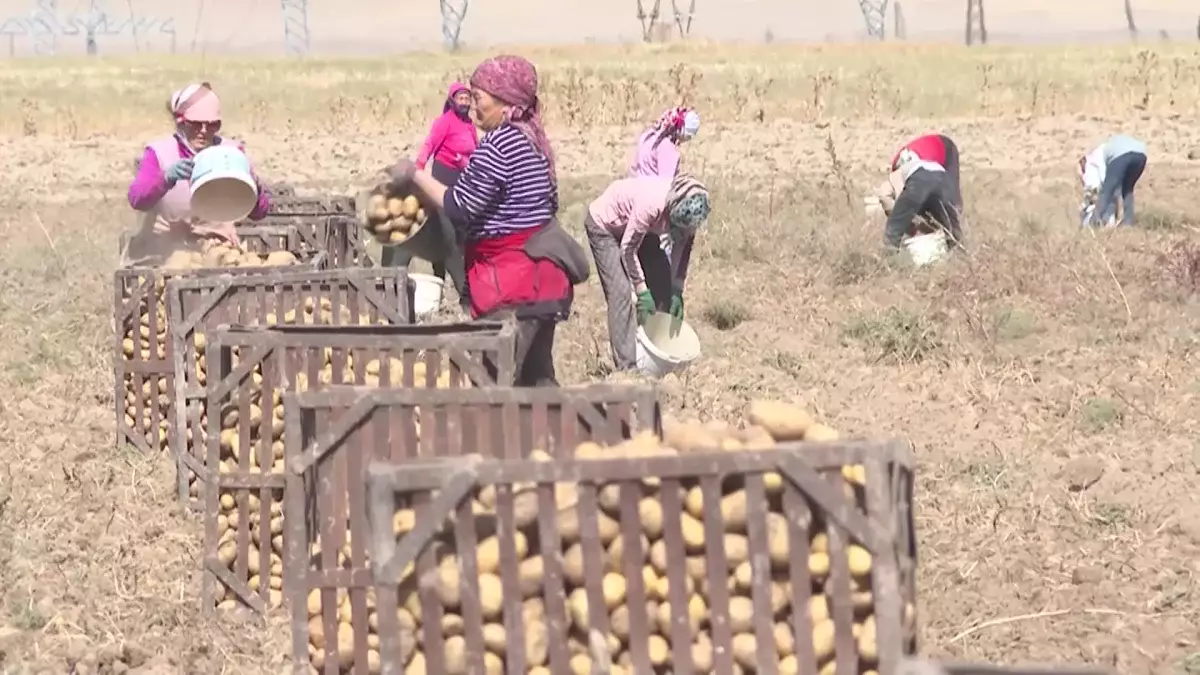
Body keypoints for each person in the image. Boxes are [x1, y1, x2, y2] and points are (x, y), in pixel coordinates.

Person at [388, 55, 588, 387]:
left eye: (478, 99)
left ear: (505, 103)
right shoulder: (532, 139)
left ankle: (523, 437)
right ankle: (556, 435)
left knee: (496, 383)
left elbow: (460, 205)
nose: (472, 108)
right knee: (537, 379)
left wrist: (415, 175)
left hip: (514, 285)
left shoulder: (501, 144)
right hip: (542, 280)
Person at [124, 82, 270, 265]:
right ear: (180, 122)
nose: (203, 131)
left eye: (212, 125)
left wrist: (254, 184)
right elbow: (137, 199)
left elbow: (259, 213)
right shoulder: (159, 154)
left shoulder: (230, 152)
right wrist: (165, 179)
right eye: (195, 125)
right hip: (165, 249)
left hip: (218, 249)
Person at [584, 172, 710, 372]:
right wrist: (641, 290)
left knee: (662, 282)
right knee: (621, 293)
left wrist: (677, 289)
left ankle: (657, 351)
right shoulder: (651, 204)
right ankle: (628, 368)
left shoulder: (691, 215)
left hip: (644, 230)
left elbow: (682, 250)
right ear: (671, 210)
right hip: (606, 226)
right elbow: (628, 249)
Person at [382, 83, 476, 310]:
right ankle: (461, 295)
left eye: (467, 98)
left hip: (463, 183)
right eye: (460, 98)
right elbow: (429, 145)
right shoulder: (444, 122)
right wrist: (417, 172)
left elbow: (476, 149)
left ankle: (443, 287)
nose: (464, 102)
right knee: (449, 240)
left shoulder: (469, 125)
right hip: (443, 181)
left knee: (456, 240)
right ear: (452, 100)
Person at [629, 106, 701, 260]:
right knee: (662, 257)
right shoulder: (668, 150)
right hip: (654, 206)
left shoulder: (647, 137)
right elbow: (665, 187)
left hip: (636, 199)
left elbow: (634, 167)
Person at [877, 134, 963, 251]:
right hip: (941, 177)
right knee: (954, 237)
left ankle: (890, 261)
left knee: (893, 233)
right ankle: (959, 260)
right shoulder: (910, 161)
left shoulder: (898, 173)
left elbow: (885, 195)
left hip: (941, 152)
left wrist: (909, 227)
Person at [1080, 134, 1147, 228]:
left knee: (1106, 191)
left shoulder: (1094, 157)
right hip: (1141, 155)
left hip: (1122, 155)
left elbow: (1103, 181)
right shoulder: (1106, 147)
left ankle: (1093, 223)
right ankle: (1128, 222)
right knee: (1127, 189)